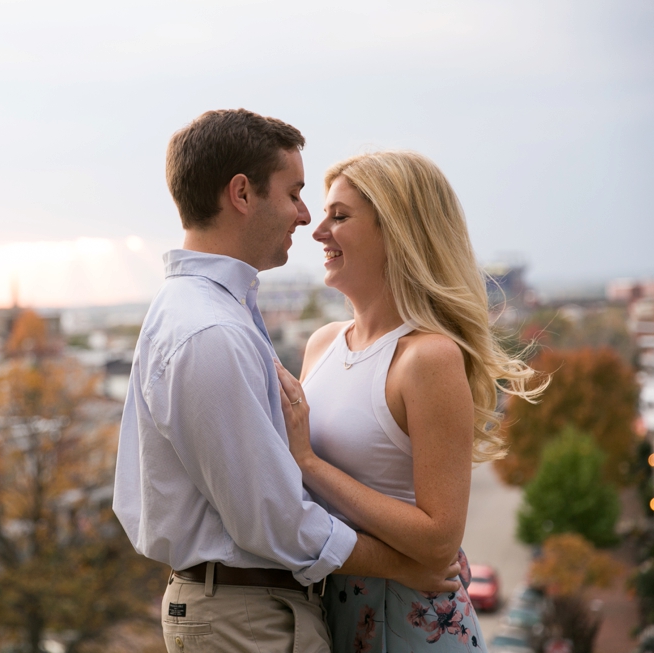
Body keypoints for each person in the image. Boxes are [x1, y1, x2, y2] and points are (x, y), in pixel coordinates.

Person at [113, 112, 461, 653]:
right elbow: (276, 520)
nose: (306, 219)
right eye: (296, 193)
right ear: (242, 194)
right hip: (248, 613)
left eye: (334, 214)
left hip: (281, 608)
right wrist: (402, 566)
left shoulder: (218, 314)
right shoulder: (211, 330)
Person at [275, 151, 546, 652]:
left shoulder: (427, 357)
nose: (318, 231)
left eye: (340, 216)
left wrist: (308, 463)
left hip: (406, 621)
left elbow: (438, 540)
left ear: (396, 230)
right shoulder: (322, 344)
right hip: (329, 612)